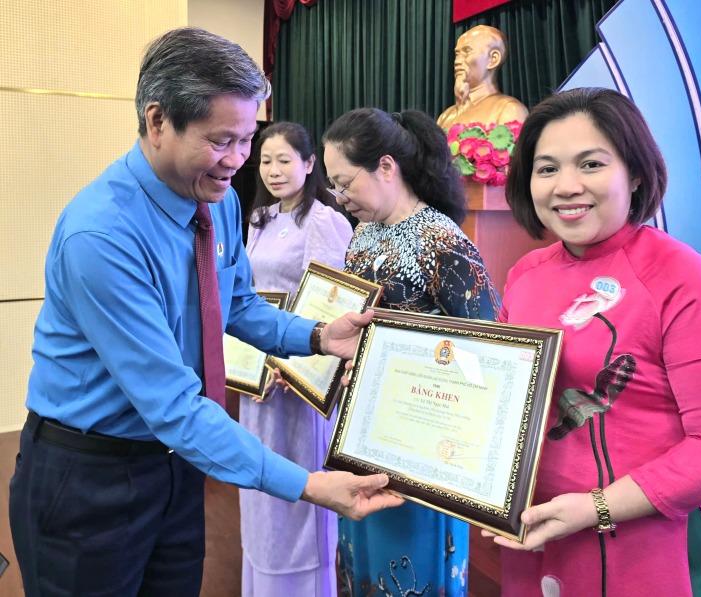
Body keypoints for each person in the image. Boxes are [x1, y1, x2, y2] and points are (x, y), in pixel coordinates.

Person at [8, 27, 402, 597]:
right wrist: (308, 484)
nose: (238, 160)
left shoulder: (216, 201)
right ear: (157, 121)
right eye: (222, 140)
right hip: (88, 476)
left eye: (248, 139)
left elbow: (236, 303)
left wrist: (316, 335)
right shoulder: (103, 235)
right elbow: (172, 403)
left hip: (172, 465)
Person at [489, 87, 701, 596]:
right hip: (537, 532)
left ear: (634, 173)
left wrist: (596, 507)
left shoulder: (685, 282)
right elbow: (507, 392)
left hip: (646, 542)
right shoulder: (526, 274)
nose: (566, 186)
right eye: (546, 169)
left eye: (591, 164)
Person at [323, 107, 501, 596]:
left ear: (386, 167)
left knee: (413, 562)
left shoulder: (442, 241)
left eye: (344, 183)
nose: (338, 199)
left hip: (425, 432)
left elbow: (488, 347)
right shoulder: (363, 235)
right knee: (362, 551)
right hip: (365, 425)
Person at [238, 121, 353, 597]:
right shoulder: (260, 218)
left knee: (299, 481)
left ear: (310, 165)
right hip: (256, 373)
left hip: (297, 377)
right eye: (265, 160)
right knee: (258, 478)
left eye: (285, 160)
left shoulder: (323, 221)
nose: (273, 170)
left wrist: (303, 366)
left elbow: (331, 302)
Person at [437, 25, 529, 130]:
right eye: (457, 54)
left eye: (467, 52)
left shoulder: (509, 110)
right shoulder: (445, 117)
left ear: (493, 59)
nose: (457, 61)